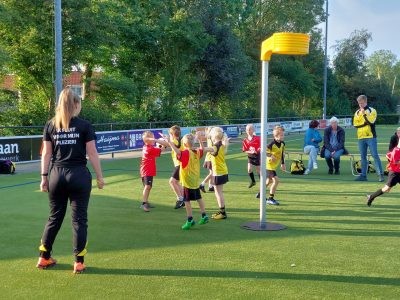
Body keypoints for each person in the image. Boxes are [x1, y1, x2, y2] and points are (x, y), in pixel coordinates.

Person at [37, 87, 104, 274]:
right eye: (79, 103)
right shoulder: (84, 126)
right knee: (79, 220)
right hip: (79, 176)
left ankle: (44, 257)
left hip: (56, 176)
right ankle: (79, 262)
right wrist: (99, 176)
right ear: (75, 104)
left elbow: (46, 154)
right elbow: (92, 153)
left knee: (54, 217)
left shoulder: (50, 125)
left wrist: (44, 178)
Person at [167, 133, 209, 230]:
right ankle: (204, 215)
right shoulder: (197, 152)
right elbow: (203, 149)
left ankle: (190, 220)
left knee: (187, 201)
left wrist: (169, 141)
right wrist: (200, 140)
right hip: (195, 180)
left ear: (185, 144)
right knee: (199, 198)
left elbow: (177, 152)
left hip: (187, 181)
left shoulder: (186, 153)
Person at [353, 95, 384, 182]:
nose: (360, 105)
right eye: (359, 103)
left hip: (371, 137)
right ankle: (363, 176)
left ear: (366, 101)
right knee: (363, 157)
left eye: (362, 103)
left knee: (374, 155)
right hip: (360, 137)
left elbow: (370, 122)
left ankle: (380, 175)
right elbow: (355, 125)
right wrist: (364, 123)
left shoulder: (372, 110)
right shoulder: (356, 112)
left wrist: (364, 114)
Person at [139, 131, 168, 212]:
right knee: (147, 186)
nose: (153, 139)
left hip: (147, 170)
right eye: (151, 138)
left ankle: (146, 202)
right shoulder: (149, 149)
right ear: (147, 140)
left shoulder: (147, 147)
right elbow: (164, 147)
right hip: (146, 170)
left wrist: (161, 142)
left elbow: (162, 148)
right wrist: (161, 142)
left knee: (148, 186)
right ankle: (144, 203)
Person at [204, 127, 229, 220]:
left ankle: (223, 212)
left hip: (218, 172)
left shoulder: (215, 147)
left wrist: (198, 140)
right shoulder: (221, 144)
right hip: (222, 170)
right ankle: (222, 211)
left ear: (214, 136)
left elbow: (203, 149)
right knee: (218, 192)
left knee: (218, 193)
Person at [366, 138, 400, 206]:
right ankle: (371, 197)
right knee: (386, 189)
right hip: (394, 173)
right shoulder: (396, 150)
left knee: (387, 189)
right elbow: (394, 162)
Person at [263, 126, 286, 205]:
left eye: (283, 135)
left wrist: (283, 164)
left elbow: (282, 154)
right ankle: (270, 198)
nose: (283, 136)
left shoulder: (283, 144)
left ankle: (260, 193)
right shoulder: (271, 144)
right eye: (282, 135)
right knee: (276, 180)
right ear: (276, 136)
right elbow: (264, 152)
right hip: (268, 165)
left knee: (269, 181)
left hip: (274, 165)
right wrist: (270, 155)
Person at [168, 125, 185, 209]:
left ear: (172, 134)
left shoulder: (175, 140)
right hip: (180, 164)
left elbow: (168, 143)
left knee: (172, 181)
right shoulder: (180, 139)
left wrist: (157, 140)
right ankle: (183, 199)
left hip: (179, 164)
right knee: (176, 182)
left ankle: (180, 199)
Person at [242, 124, 261, 189]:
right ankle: (253, 181)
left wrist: (257, 150)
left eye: (250, 129)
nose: (249, 130)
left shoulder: (258, 138)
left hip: (257, 155)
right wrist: (250, 152)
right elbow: (245, 150)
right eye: (247, 129)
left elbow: (261, 147)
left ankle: (262, 183)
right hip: (250, 156)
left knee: (258, 170)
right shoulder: (245, 140)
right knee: (249, 169)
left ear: (253, 130)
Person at [199, 127, 214, 193]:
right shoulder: (211, 138)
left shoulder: (209, 138)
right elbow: (212, 149)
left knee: (211, 173)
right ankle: (202, 184)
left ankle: (211, 186)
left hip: (208, 158)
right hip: (210, 158)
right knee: (213, 173)